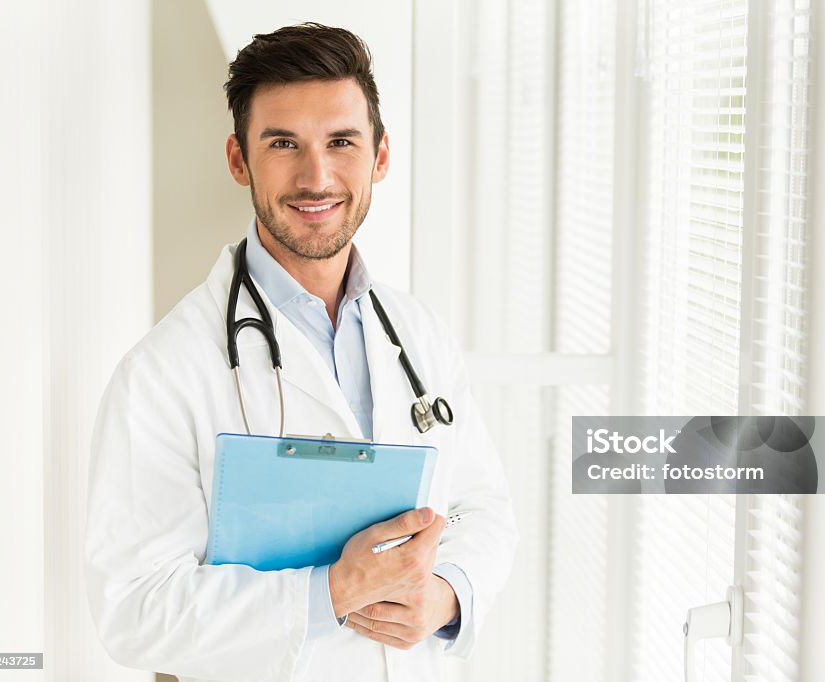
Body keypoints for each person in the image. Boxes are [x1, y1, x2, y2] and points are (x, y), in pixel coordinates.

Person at [84, 23, 518, 682]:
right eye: (283, 144)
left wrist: (449, 594)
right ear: (238, 160)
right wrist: (332, 594)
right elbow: (137, 612)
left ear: (380, 156)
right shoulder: (163, 374)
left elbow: (483, 505)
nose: (316, 177)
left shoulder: (417, 333)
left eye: (341, 142)